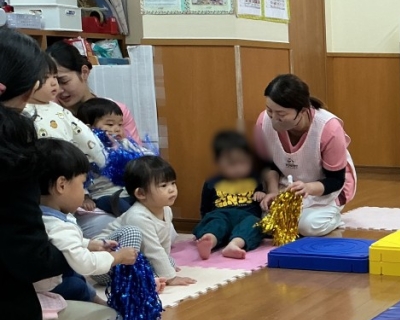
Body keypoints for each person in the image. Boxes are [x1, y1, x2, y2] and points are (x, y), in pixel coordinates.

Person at [0, 28, 70, 320]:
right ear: (28, 89)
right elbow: (27, 254)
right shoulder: (14, 140)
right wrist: (75, 256)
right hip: (9, 303)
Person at [35, 139, 141, 304]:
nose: (84, 190)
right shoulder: (57, 225)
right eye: (82, 183)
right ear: (61, 185)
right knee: (77, 283)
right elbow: (84, 263)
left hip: (44, 276)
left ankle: (95, 300)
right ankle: (98, 305)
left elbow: (61, 244)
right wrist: (117, 257)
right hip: (48, 286)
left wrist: (91, 244)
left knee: (73, 274)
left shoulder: (42, 214)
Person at [254, 74, 357, 237]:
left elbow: (336, 180)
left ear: (302, 111)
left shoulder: (328, 128)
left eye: (281, 115)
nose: (273, 118)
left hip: (325, 189)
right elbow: (268, 164)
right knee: (266, 225)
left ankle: (335, 217)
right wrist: (273, 192)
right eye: (269, 110)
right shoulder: (263, 122)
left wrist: (308, 188)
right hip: (288, 185)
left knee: (307, 227)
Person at [103, 156, 196, 287]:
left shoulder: (166, 210)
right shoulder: (138, 216)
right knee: (133, 233)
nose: (171, 189)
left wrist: (166, 269)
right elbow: (153, 249)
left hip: (135, 258)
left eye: (173, 183)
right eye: (163, 185)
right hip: (106, 266)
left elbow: (163, 243)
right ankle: (130, 278)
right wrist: (170, 278)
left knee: (168, 262)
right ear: (141, 193)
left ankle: (144, 275)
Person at [48, 40, 141, 141]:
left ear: (84, 72)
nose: (58, 90)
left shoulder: (116, 112)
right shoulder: (48, 113)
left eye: (63, 81)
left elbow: (138, 154)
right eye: (51, 83)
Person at [194, 130, 266, 260]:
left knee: (255, 223)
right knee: (215, 222)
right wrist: (207, 223)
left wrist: (262, 195)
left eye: (243, 163)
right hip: (222, 215)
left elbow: (261, 205)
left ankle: (234, 245)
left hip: (246, 216)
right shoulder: (212, 183)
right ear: (219, 163)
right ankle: (209, 241)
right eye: (232, 164)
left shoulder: (254, 180)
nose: (238, 168)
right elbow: (205, 209)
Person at [24, 53, 106, 169]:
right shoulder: (20, 112)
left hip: (70, 170)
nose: (54, 83)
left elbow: (85, 136)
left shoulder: (58, 109)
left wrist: (102, 159)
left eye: (54, 77)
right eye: (45, 78)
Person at [76, 97, 145, 216]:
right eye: (110, 124)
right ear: (88, 129)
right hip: (104, 195)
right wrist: (85, 197)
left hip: (128, 192)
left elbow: (143, 156)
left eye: (120, 124)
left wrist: (126, 142)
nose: (117, 129)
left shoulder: (122, 144)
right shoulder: (84, 150)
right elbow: (77, 177)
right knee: (123, 208)